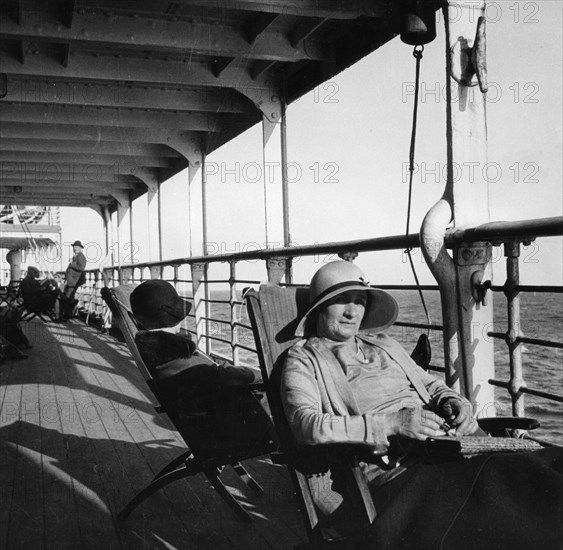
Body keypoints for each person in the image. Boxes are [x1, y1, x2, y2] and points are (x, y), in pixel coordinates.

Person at [281, 260, 563, 550]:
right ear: (319, 307)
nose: (352, 312)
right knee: (522, 498)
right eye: (341, 301)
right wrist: (393, 423)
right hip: (406, 473)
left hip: (453, 447)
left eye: (359, 300)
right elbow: (306, 425)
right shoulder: (304, 359)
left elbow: (429, 384)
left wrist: (453, 401)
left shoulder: (382, 344)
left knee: (548, 466)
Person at [130, 280, 274, 455]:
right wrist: (255, 373)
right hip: (229, 430)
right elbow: (220, 376)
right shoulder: (178, 359)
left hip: (203, 418)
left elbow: (211, 372)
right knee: (272, 387)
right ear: (172, 317)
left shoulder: (160, 353)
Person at [61, 240, 87, 319]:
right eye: (74, 247)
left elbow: (81, 268)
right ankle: (70, 313)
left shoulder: (81, 256)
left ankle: (67, 315)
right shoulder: (75, 256)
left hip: (74, 281)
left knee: (68, 297)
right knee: (69, 297)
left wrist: (72, 263)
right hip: (70, 280)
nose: (75, 249)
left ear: (80, 248)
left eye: (77, 247)